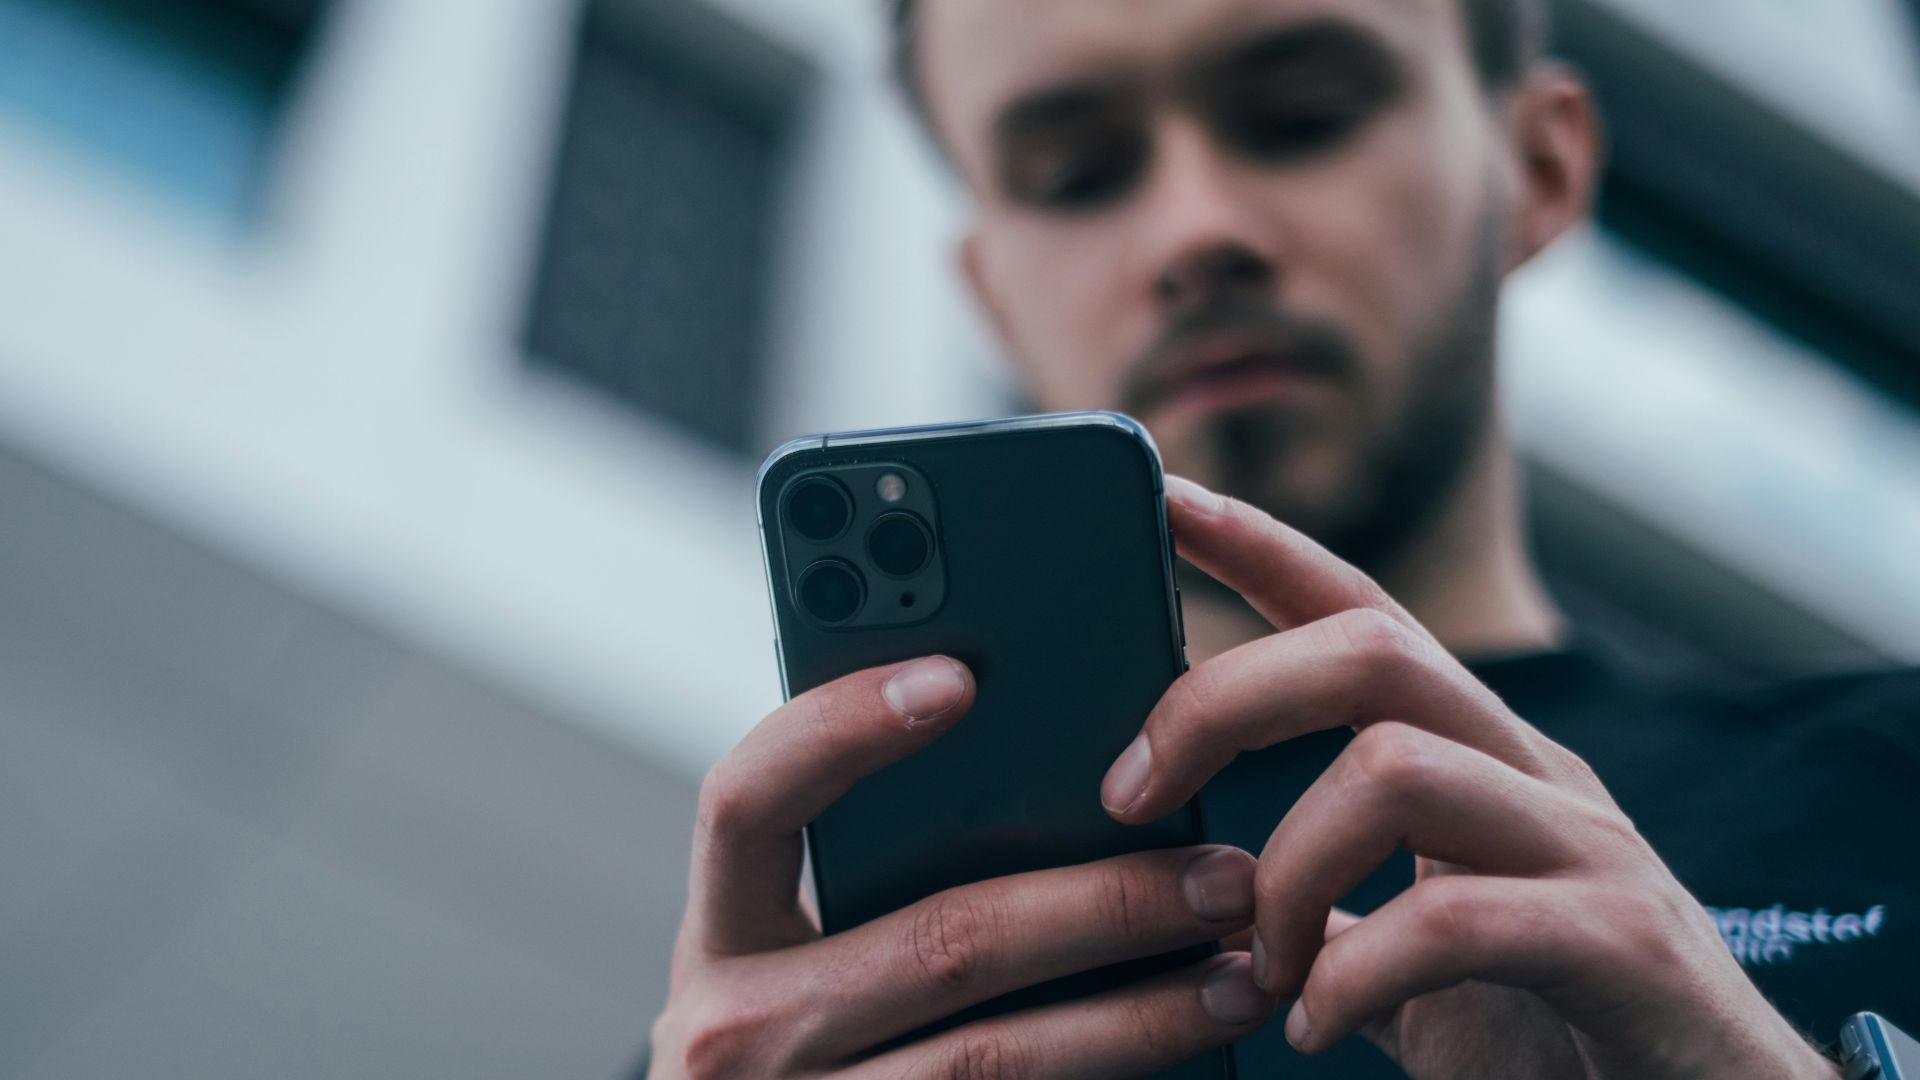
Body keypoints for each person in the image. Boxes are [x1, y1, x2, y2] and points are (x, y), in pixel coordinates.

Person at [645, 0, 1920, 1075]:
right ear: (992, 295)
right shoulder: (797, 1015)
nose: (1198, 232)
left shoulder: (1893, 784)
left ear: (1534, 166)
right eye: (1078, 176)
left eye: (1303, 115)